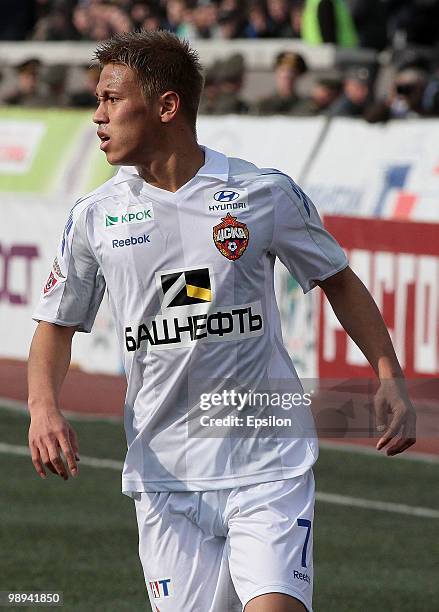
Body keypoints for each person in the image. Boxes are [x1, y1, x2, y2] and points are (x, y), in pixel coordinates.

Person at [28, 30, 416, 612]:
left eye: (111, 99)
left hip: (267, 461)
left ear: (166, 106)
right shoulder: (95, 216)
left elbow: (338, 280)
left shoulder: (261, 193)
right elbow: (55, 326)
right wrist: (42, 408)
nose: (97, 116)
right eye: (98, 101)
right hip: (166, 478)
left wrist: (388, 375)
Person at [253, 51, 308, 115]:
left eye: (293, 71)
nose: (287, 75)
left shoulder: (305, 106)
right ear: (276, 73)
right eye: (283, 70)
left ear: (299, 75)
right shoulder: (263, 105)